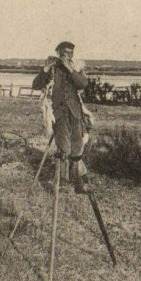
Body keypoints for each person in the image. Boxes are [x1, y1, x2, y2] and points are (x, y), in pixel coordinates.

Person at [32, 41, 92, 193]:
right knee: (64, 147)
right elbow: (36, 85)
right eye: (65, 53)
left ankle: (79, 182)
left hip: (76, 112)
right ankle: (63, 182)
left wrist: (70, 69)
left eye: (71, 53)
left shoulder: (76, 67)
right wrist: (44, 70)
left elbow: (83, 84)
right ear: (59, 53)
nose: (68, 55)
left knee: (78, 148)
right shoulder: (52, 68)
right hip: (59, 113)